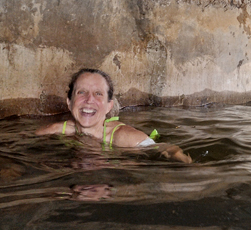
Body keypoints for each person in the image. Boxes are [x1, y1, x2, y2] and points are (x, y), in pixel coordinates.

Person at [36, 68, 192, 163]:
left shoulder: (123, 136)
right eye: (81, 92)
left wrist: (185, 160)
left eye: (98, 94)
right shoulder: (56, 130)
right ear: (69, 102)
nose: (89, 100)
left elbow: (162, 148)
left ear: (109, 106)